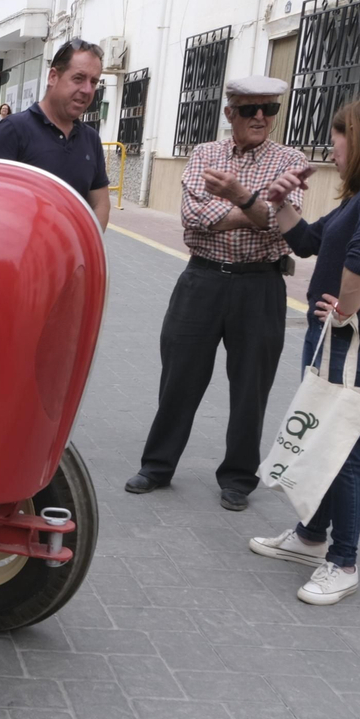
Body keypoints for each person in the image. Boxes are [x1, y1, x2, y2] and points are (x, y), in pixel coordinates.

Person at [248, 97, 360, 605]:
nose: (333, 147)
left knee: (343, 444)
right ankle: (309, 537)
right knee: (327, 435)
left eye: (338, 136)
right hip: (339, 336)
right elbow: (306, 242)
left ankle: (343, 561)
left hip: (350, 339)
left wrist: (345, 312)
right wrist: (281, 202)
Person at [125, 76, 308, 511]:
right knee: (179, 379)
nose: (260, 117)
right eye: (249, 109)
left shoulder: (291, 160)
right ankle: (157, 465)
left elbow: (286, 220)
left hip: (261, 285)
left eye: (269, 109)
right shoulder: (204, 154)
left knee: (251, 387)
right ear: (231, 114)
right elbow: (192, 216)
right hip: (201, 280)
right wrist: (254, 208)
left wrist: (238, 199)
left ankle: (239, 478)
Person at [0, 39, 112, 229]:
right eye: (78, 78)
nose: (87, 90)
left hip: (73, 257)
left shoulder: (91, 139)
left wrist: (87, 244)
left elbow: (100, 203)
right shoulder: (13, 131)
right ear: (52, 77)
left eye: (94, 81)